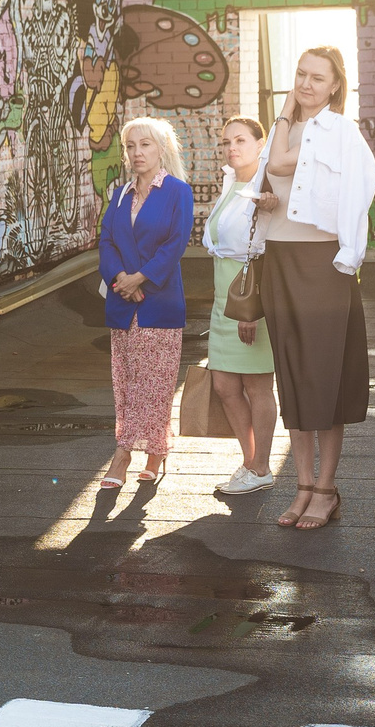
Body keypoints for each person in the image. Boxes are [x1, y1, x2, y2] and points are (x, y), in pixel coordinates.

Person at [250, 45, 375, 528]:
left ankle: (326, 489)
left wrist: (283, 116)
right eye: (300, 74)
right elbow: (271, 178)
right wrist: (262, 202)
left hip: (323, 263)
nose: (306, 84)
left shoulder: (339, 131)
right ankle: (302, 485)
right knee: (293, 377)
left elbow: (282, 165)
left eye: (317, 77)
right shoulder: (285, 133)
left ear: (334, 86)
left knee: (326, 378)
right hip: (279, 258)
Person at [97, 116, 195, 488]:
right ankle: (153, 450)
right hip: (123, 304)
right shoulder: (120, 194)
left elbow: (175, 243)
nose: (138, 153)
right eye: (131, 146)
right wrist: (120, 278)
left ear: (162, 148)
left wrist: (142, 277)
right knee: (126, 383)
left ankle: (127, 456)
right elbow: (106, 240)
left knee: (154, 384)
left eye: (146, 145)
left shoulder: (177, 192)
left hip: (158, 302)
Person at [202, 115, 278, 496]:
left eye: (241, 140)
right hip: (222, 302)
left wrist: (253, 311)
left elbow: (264, 253)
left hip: (249, 301)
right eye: (227, 141)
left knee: (257, 384)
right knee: (224, 385)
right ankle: (249, 463)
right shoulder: (231, 182)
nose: (232, 147)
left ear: (260, 144)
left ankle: (262, 465)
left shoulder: (264, 189)